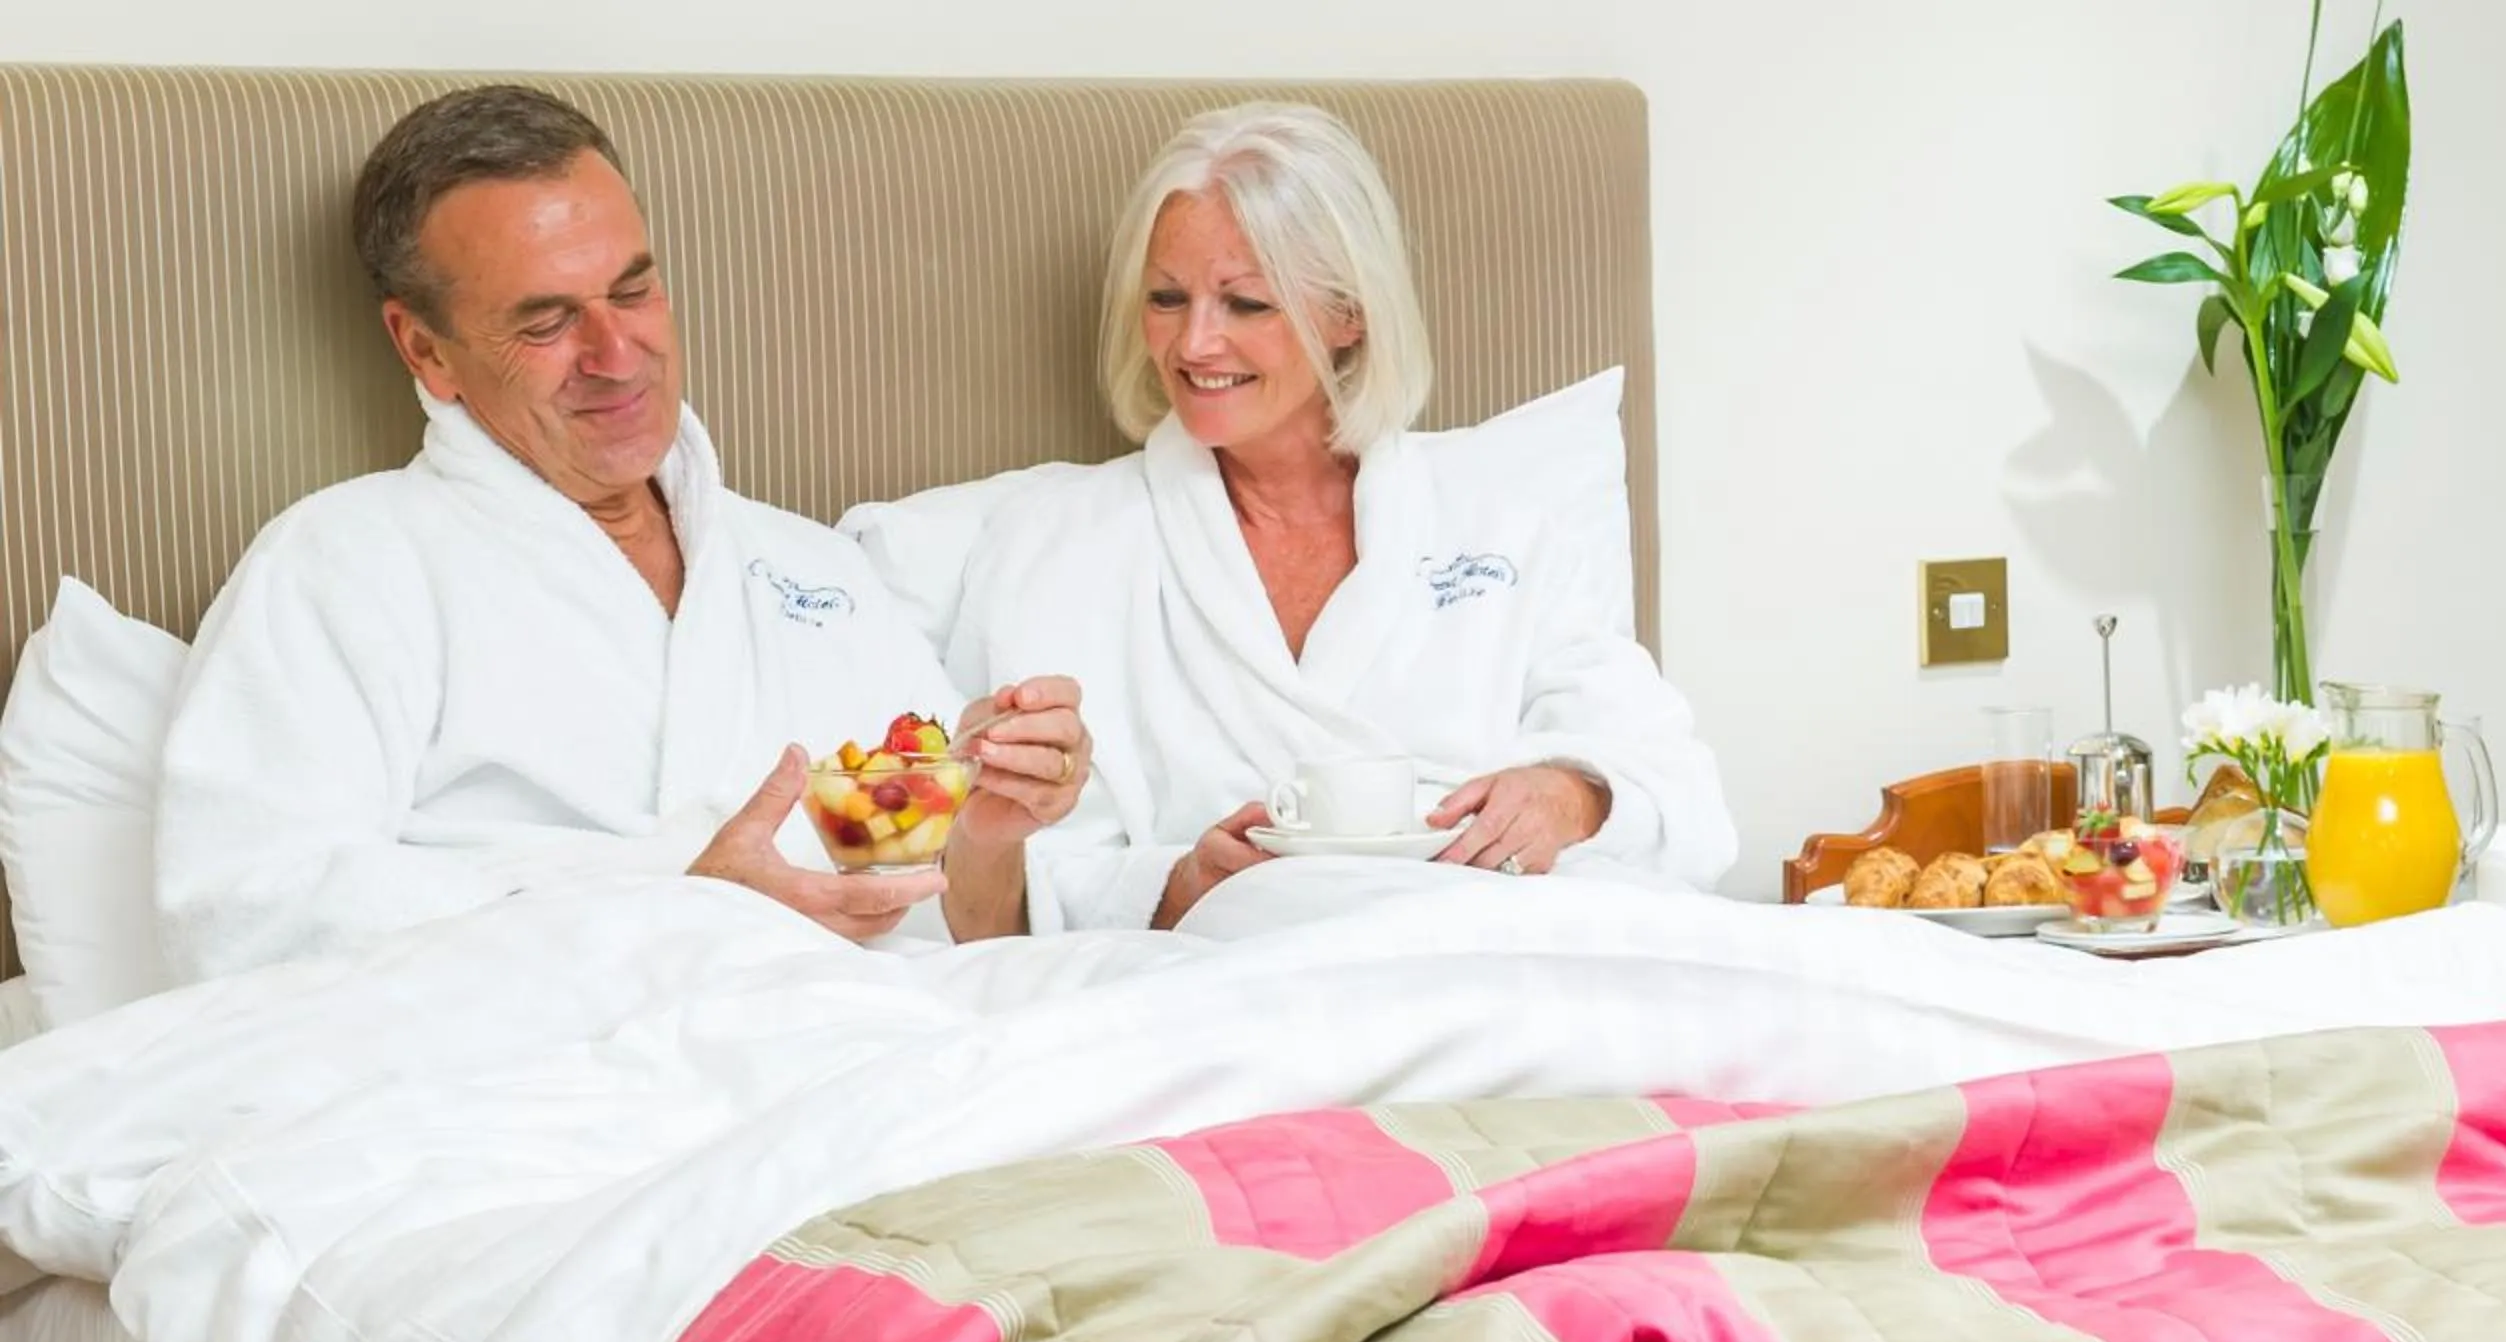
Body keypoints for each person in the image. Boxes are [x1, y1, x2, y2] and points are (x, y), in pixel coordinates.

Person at [152, 84, 1092, 986]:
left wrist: (986, 836)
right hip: (548, 1073)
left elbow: (958, 927)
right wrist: (673, 911)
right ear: (425, 349)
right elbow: (243, 922)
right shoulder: (341, 566)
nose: (616, 355)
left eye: (632, 291)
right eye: (548, 321)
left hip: (878, 1047)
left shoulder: (807, 565)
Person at [843, 102, 1734, 933]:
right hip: (1233, 980)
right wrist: (1175, 888)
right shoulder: (1059, 544)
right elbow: (989, 903)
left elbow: (1683, 796)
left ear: (1348, 314)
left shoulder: (1496, 522)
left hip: (1489, 952)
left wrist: (1572, 796)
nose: (1194, 344)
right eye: (1166, 298)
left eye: (1246, 303)